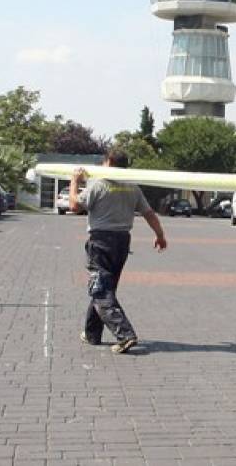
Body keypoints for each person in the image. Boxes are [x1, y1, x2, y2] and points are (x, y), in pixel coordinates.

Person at [70, 148, 167, 354]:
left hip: (101, 242)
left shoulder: (99, 184)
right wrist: (160, 235)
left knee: (100, 290)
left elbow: (74, 206)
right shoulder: (132, 187)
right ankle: (91, 334)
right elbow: (148, 213)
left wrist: (74, 182)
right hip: (122, 242)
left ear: (109, 162)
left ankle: (125, 335)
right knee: (105, 288)